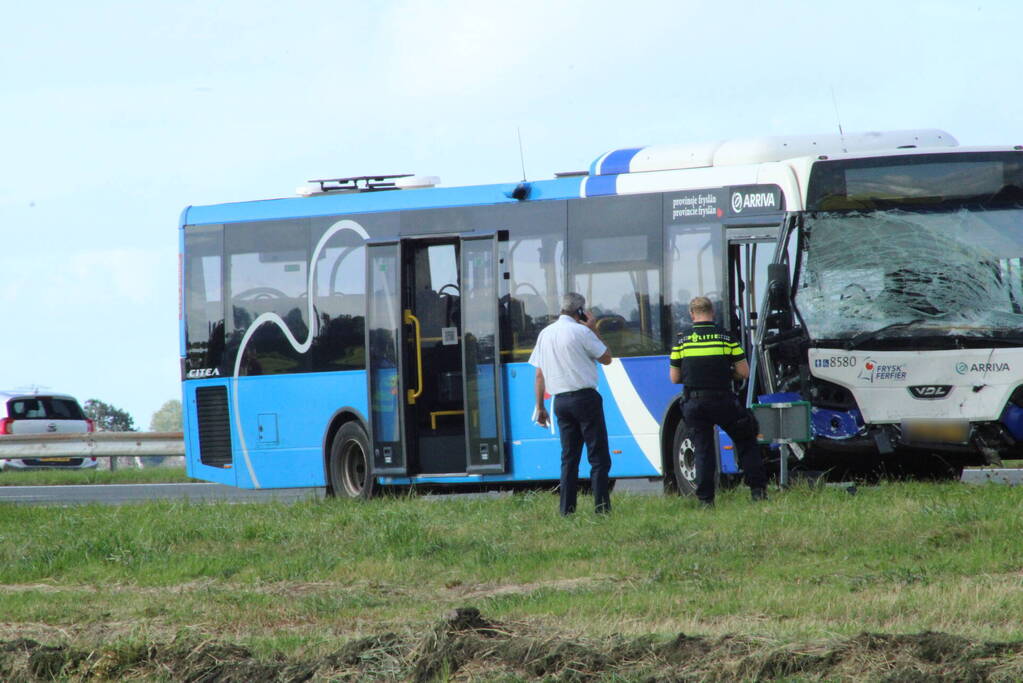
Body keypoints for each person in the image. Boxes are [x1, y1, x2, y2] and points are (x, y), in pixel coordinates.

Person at [669, 296, 768, 506]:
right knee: (745, 438)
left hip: (694, 403)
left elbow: (675, 378)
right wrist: (726, 373)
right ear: (712, 312)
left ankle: (706, 501)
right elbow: (744, 372)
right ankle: (757, 491)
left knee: (702, 449)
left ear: (692, 314)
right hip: (722, 400)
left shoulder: (682, 341)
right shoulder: (726, 338)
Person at [529, 293, 613, 515]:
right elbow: (606, 358)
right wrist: (594, 329)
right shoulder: (582, 332)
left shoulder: (545, 334)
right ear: (580, 312)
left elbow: (539, 375)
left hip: (561, 402)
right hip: (585, 399)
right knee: (598, 457)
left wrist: (540, 407)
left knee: (569, 458)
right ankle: (601, 509)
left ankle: (567, 510)